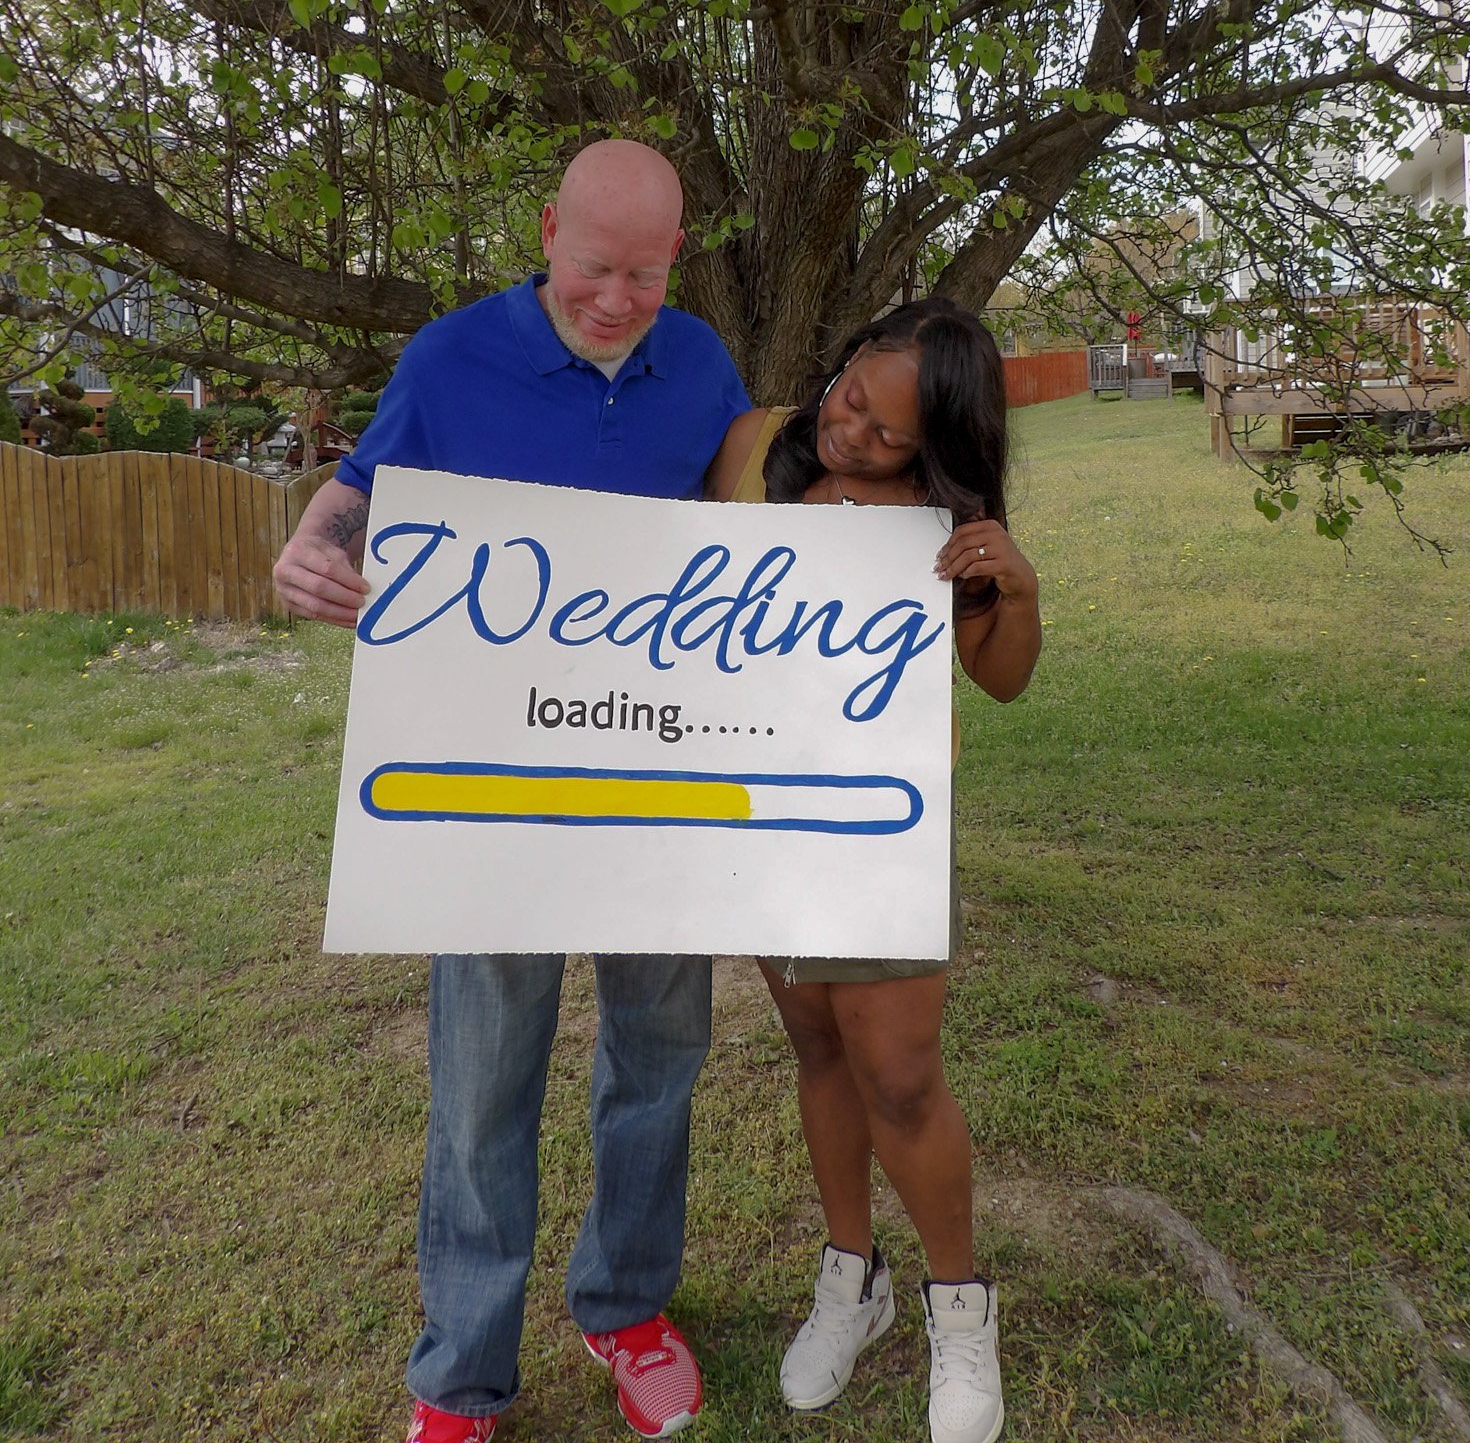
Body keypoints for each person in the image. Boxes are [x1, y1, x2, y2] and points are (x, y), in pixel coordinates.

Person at [274, 141, 751, 1443]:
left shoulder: (703, 366)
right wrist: (307, 559)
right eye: (596, 268)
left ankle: (627, 1306)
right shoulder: (447, 359)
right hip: (483, 792)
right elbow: (348, 506)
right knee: (484, 1082)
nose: (617, 300)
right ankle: (462, 1379)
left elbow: (757, 548)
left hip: (657, 784)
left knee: (659, 1060)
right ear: (548, 232)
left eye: (647, 276)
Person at [707, 297, 1041, 1443]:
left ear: (934, 443)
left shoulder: (943, 521)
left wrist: (1016, 589)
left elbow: (1002, 680)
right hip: (758, 808)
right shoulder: (753, 450)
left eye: (890, 433)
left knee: (898, 1070)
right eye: (854, 395)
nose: (853, 433)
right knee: (816, 1046)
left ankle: (960, 1305)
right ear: (845, 357)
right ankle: (855, 1277)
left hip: (880, 821)